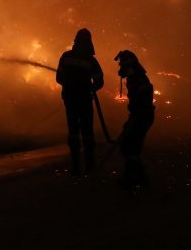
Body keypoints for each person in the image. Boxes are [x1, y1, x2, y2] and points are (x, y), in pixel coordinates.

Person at [56, 28, 104, 176]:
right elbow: (99, 81)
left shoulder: (66, 56)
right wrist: (90, 87)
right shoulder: (91, 60)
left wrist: (70, 84)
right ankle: (89, 166)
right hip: (83, 100)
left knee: (74, 133)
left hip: (71, 100)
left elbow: (59, 78)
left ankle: (76, 167)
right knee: (87, 132)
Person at [115, 50, 155, 189]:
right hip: (138, 115)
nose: (121, 70)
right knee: (128, 146)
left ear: (129, 66)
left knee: (131, 146)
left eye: (122, 66)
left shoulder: (138, 79)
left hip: (142, 116)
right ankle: (139, 177)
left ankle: (134, 178)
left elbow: (144, 100)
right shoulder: (135, 77)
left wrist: (136, 118)